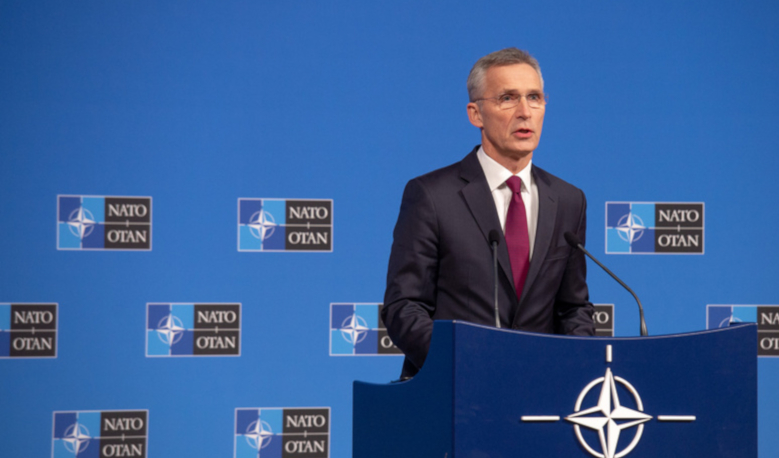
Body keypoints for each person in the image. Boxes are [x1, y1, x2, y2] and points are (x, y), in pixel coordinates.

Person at [381, 48, 595, 379]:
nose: (525, 112)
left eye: (534, 97)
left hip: (542, 397)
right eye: (508, 98)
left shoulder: (568, 200)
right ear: (475, 114)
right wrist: (464, 367)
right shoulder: (432, 196)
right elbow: (405, 307)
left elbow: (573, 308)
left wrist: (571, 371)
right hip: (455, 392)